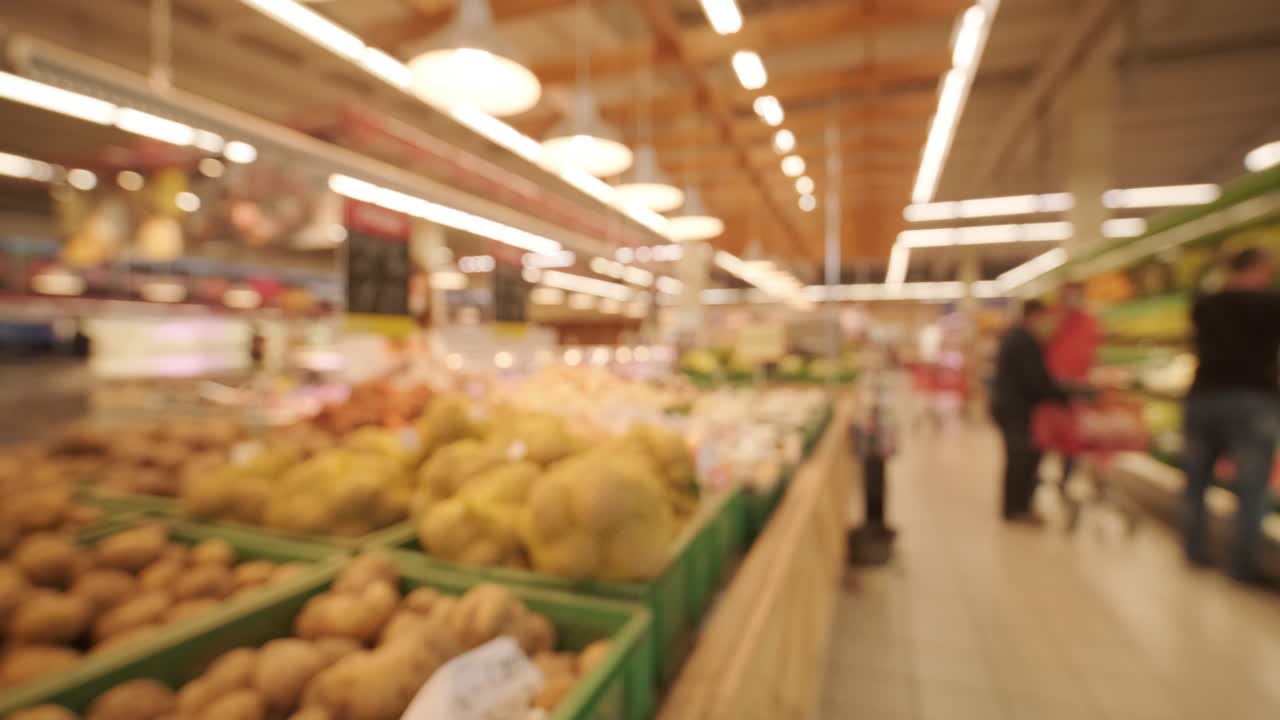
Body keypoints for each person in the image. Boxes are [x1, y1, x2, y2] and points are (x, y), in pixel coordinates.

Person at [1182, 247, 1280, 584]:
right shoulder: (1270, 306)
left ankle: (1194, 552)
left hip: (1204, 397)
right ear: (1258, 269)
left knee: (1196, 483)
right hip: (1253, 399)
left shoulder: (1205, 305)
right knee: (1251, 487)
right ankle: (1241, 567)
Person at [990, 300, 1069, 522]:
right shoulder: (1023, 341)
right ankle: (1016, 510)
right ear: (1032, 316)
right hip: (1015, 410)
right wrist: (1061, 396)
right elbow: (1033, 380)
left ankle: (1016, 507)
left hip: (1009, 407)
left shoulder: (1018, 338)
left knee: (1018, 459)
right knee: (1021, 459)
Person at [1045, 283, 1100, 486]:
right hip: (1053, 390)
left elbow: (1092, 352)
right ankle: (1055, 474)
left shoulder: (1089, 321)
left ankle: (1066, 478)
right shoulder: (1052, 319)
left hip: (1078, 389)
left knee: (1073, 439)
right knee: (1051, 435)